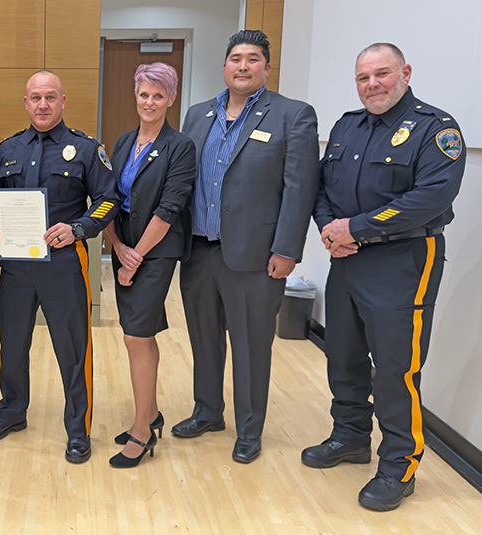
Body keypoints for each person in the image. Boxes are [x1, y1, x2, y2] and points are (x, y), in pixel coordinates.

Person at [304, 43, 465, 511]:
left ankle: (398, 465)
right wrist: (331, 231)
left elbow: (430, 198)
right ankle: (350, 436)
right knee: (343, 356)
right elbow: (321, 188)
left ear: (405, 73)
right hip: (347, 260)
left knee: (395, 369)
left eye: (382, 74)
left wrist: (353, 229)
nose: (372, 84)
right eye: (363, 77)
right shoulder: (347, 127)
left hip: (403, 260)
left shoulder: (436, 129)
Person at [174, 30, 319, 463]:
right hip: (199, 249)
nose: (243, 66)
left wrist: (287, 250)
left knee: (251, 346)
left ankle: (250, 428)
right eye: (235, 58)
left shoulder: (293, 115)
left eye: (253, 59)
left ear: (267, 68)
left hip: (256, 256)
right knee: (204, 338)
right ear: (224, 67)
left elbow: (300, 189)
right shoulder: (197, 115)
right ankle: (207, 412)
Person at [0, 70, 119, 463]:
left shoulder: (85, 149)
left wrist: (77, 229)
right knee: (12, 344)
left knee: (73, 350)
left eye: (50, 97)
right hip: (16, 268)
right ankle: (12, 411)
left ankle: (78, 430)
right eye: (35, 97)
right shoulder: (7, 150)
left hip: (64, 266)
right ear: (26, 102)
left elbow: (109, 200)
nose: (43, 104)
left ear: (62, 101)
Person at [105, 63, 197, 468]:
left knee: (135, 337)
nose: (150, 102)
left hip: (156, 251)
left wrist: (135, 256)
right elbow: (108, 197)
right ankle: (152, 413)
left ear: (171, 99)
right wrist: (116, 246)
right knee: (139, 335)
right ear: (135, 95)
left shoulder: (180, 146)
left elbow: (169, 208)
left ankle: (142, 432)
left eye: (158, 96)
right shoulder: (124, 141)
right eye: (144, 94)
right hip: (124, 245)